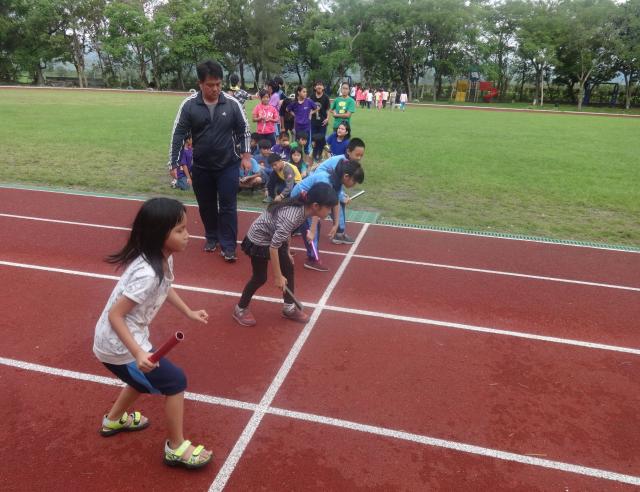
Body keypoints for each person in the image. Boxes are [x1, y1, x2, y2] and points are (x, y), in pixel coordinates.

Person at [93, 198, 212, 469]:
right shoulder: (147, 274)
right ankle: (176, 447)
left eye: (186, 228)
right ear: (159, 234)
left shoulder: (163, 259)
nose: (188, 235)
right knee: (175, 381)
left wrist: (189, 312)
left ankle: (114, 420)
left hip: (127, 339)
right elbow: (115, 315)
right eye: (180, 230)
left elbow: (165, 287)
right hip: (118, 346)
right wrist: (137, 353)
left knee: (141, 379)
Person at [169, 60, 251, 262]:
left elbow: (244, 130)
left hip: (228, 165)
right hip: (201, 166)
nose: (215, 89)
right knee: (206, 205)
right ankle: (212, 237)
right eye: (210, 85)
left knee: (228, 206)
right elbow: (178, 133)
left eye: (218, 84)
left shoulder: (232, 104)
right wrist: (174, 162)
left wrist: (246, 156)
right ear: (200, 84)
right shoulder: (189, 105)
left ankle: (229, 246)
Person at [232, 183, 338, 326]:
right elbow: (273, 247)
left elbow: (286, 232)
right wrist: (278, 277)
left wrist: (287, 251)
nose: (330, 211)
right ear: (315, 206)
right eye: (329, 208)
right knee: (260, 278)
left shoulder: (304, 211)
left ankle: (289, 308)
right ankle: (240, 308)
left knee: (288, 267)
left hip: (274, 237)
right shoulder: (293, 216)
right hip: (259, 240)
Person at [291, 160, 364, 271]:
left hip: (311, 200)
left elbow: (336, 201)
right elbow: (316, 208)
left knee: (304, 225)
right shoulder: (325, 181)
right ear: (346, 176)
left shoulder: (337, 181)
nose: (354, 185)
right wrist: (312, 230)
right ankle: (312, 259)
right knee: (311, 227)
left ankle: (283, 243)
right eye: (354, 181)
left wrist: (336, 224)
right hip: (299, 198)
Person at [315, 138, 366, 245]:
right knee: (337, 203)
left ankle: (339, 232)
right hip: (320, 183)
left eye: (361, 155)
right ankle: (339, 234)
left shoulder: (349, 164)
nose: (359, 158)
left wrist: (342, 195)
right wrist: (342, 197)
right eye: (357, 155)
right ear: (348, 151)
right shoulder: (341, 162)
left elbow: (338, 184)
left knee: (338, 202)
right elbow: (335, 182)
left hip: (328, 184)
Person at [309, 80, 330, 163]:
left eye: (321, 85)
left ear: (323, 87)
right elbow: (309, 108)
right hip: (313, 122)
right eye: (317, 85)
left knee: (321, 139)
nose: (319, 86)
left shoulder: (326, 97)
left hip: (322, 122)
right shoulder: (312, 96)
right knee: (314, 139)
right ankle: (314, 154)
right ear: (315, 87)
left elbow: (328, 109)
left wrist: (327, 118)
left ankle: (320, 154)